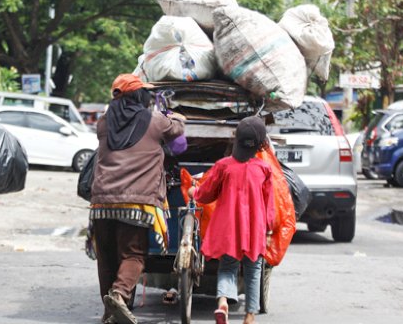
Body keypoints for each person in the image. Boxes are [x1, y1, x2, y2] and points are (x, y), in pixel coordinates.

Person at [89, 74, 185, 324]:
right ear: (139, 96)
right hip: (137, 202)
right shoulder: (154, 121)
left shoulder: (103, 123)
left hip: (102, 203)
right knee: (133, 254)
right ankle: (119, 295)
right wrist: (175, 115)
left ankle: (109, 311)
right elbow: (176, 129)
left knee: (107, 258)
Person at [188, 116, 275, 324]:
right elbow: (269, 206)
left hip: (229, 230)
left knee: (227, 267)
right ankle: (250, 315)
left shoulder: (223, 166)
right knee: (254, 270)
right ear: (261, 144)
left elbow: (207, 194)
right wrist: (269, 230)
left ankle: (223, 303)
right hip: (255, 229)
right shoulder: (264, 169)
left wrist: (194, 192)